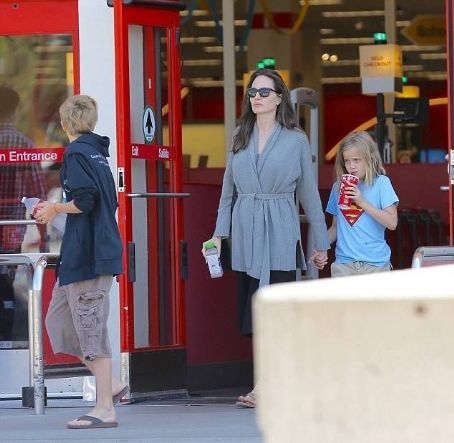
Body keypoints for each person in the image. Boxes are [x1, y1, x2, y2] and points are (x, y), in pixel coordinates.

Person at [202, 69, 330, 408]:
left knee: (274, 310)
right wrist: (218, 234)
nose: (256, 98)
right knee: (255, 315)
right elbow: (227, 193)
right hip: (245, 234)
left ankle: (266, 387)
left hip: (280, 231)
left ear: (278, 97)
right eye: (252, 93)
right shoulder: (239, 136)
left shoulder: (296, 140)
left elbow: (309, 194)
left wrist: (321, 243)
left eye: (263, 92)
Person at [34, 95, 125, 429]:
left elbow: (85, 201)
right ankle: (111, 385)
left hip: (89, 256)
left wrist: (55, 208)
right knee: (59, 322)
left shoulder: (75, 153)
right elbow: (102, 203)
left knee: (90, 332)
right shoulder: (98, 155)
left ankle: (105, 409)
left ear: (64, 123)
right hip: (80, 255)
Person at [0, 85, 47, 341]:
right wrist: (43, 235)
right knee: (6, 287)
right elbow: (37, 193)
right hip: (11, 230)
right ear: (14, 111)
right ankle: (6, 335)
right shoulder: (24, 144)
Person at [326, 131, 399, 277]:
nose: (351, 166)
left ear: (369, 158)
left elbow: (392, 222)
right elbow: (335, 227)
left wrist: (362, 202)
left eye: (356, 160)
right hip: (344, 264)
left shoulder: (381, 183)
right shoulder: (337, 187)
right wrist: (320, 247)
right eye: (347, 161)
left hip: (376, 264)